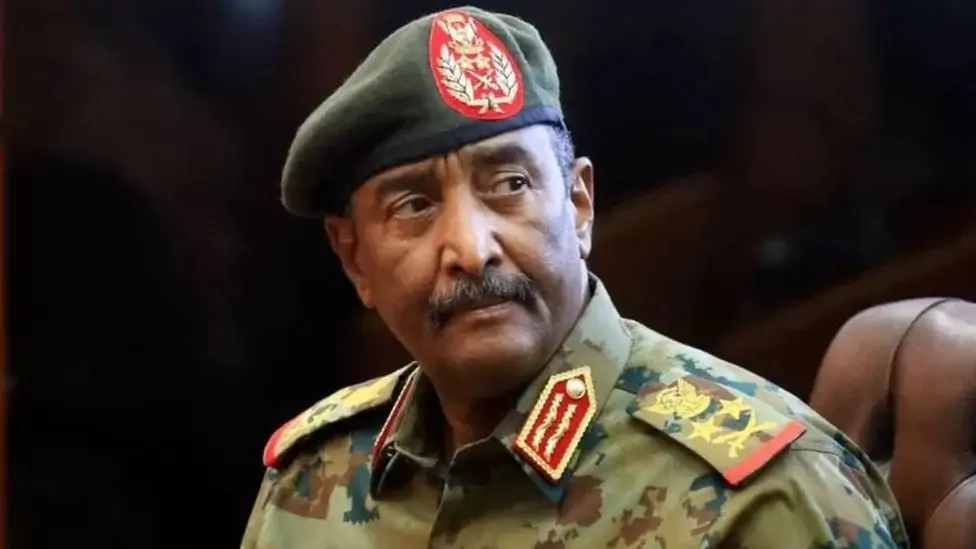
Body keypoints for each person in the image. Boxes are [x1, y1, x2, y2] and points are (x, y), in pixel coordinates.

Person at [241, 7, 909, 548]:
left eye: (510, 184)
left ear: (579, 204)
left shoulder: (762, 496)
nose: (471, 249)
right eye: (415, 206)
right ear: (355, 259)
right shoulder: (313, 480)